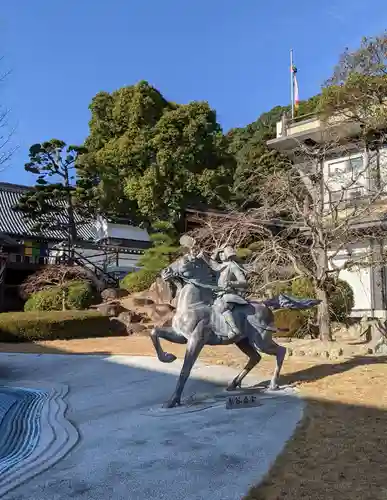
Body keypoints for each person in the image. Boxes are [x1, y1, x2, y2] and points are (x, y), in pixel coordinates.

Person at [200, 246, 248, 339]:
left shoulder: (232, 266)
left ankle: (233, 328)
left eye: (222, 253)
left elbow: (244, 282)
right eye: (220, 254)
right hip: (217, 294)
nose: (221, 255)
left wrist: (231, 283)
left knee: (221, 305)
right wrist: (205, 254)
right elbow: (210, 264)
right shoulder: (219, 267)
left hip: (229, 294)